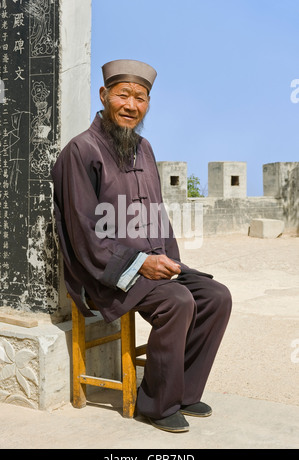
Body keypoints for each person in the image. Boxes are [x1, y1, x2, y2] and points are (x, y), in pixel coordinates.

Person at [51, 59, 232, 433]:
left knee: (216, 296)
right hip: (105, 273)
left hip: (151, 266)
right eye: (123, 95)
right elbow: (84, 232)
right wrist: (139, 264)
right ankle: (154, 404)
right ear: (104, 96)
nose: (131, 105)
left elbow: (158, 214)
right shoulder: (81, 151)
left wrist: (170, 263)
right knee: (177, 302)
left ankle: (180, 391)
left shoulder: (144, 148)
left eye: (141, 97)